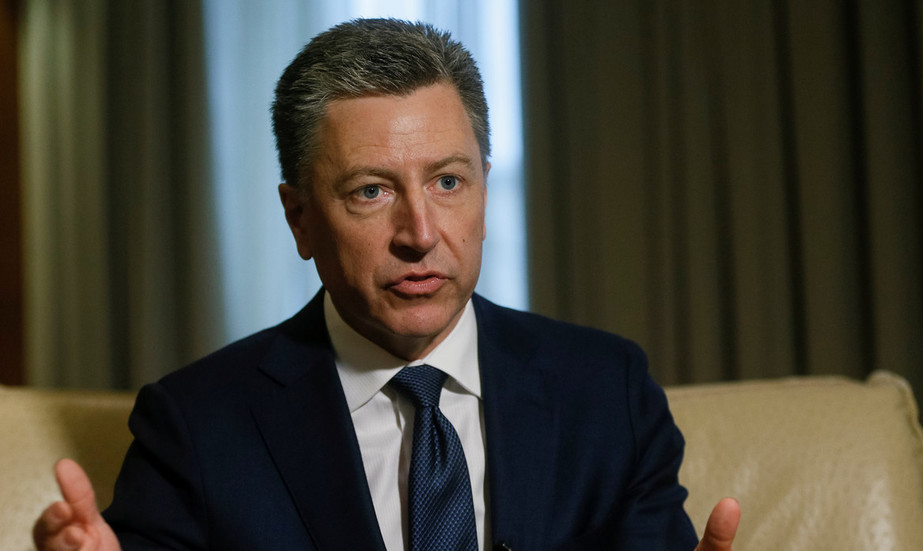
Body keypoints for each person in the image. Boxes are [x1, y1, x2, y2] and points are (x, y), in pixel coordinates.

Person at [33, 18, 740, 551]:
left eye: (448, 182)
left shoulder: (607, 391)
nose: (420, 233)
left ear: (485, 190)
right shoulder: (196, 425)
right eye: (371, 191)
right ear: (300, 219)